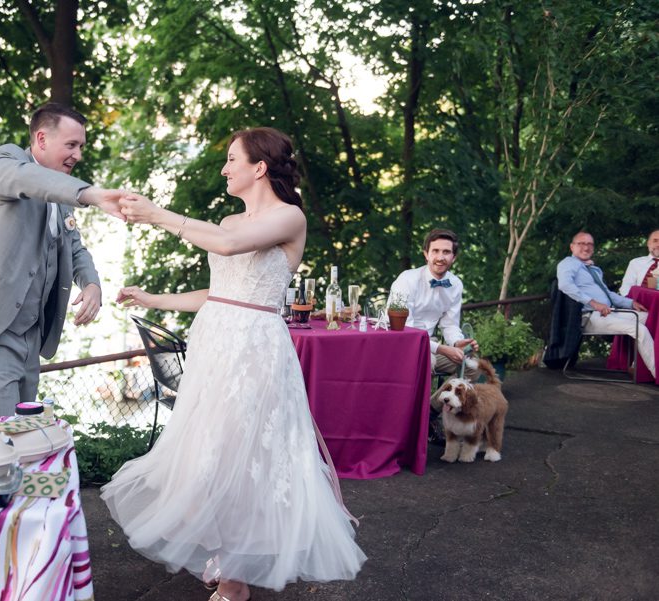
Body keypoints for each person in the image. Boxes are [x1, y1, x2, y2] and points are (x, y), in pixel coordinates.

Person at [101, 127, 365, 601]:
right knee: (207, 454)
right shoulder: (226, 219)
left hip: (255, 348)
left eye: (230, 160)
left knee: (242, 458)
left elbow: (226, 249)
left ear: (258, 168)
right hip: (214, 343)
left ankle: (235, 581)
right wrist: (151, 297)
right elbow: (217, 292)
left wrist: (158, 215)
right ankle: (227, 556)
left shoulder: (290, 218)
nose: (224, 169)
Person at [0, 103, 125, 416]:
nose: (78, 155)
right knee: (1, 431)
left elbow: (74, 247)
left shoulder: (60, 187)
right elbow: (27, 180)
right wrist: (92, 195)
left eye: (81, 146)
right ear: (42, 140)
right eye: (71, 145)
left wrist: (91, 283)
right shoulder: (4, 163)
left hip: (31, 331)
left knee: (24, 427)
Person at [557, 231, 655, 378]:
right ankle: (657, 372)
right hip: (589, 317)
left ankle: (641, 368)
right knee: (639, 329)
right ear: (572, 247)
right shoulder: (568, 263)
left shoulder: (593, 269)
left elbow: (608, 294)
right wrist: (594, 303)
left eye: (590, 244)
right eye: (581, 243)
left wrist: (630, 303)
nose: (586, 247)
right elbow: (565, 285)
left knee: (649, 318)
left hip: (609, 313)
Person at [387, 229, 480, 382]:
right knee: (426, 361)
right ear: (426, 254)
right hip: (401, 346)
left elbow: (450, 324)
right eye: (435, 251)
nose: (440, 257)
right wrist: (443, 349)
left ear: (454, 257)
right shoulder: (407, 280)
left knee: (472, 366)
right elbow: (404, 331)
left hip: (430, 345)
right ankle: (418, 406)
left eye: (446, 252)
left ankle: (436, 405)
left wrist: (457, 343)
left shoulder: (455, 284)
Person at [619, 228, 659, 296]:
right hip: (635, 303)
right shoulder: (635, 263)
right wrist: (630, 303)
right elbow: (626, 287)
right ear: (648, 243)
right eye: (655, 241)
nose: (658, 244)